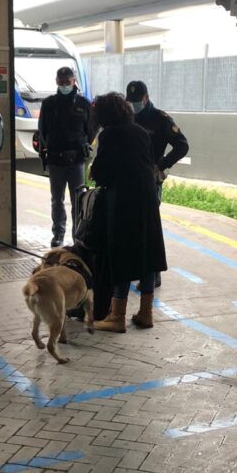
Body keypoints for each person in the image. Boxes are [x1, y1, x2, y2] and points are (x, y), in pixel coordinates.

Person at [90, 92, 167, 333]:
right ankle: (146, 313)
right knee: (146, 253)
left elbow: (102, 174)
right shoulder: (140, 132)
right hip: (147, 199)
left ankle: (117, 316)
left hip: (122, 202)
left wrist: (94, 170)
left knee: (121, 253)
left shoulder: (109, 135)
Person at [126, 80, 189, 287]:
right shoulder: (127, 117)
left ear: (146, 97)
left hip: (150, 182)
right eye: (131, 101)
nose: (134, 104)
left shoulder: (160, 119)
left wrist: (161, 166)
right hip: (129, 180)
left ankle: (153, 274)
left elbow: (182, 145)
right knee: (132, 226)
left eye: (137, 100)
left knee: (149, 228)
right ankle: (140, 269)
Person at [37, 66, 92, 247]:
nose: (64, 85)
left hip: (76, 161)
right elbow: (42, 131)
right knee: (57, 200)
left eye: (67, 82)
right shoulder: (49, 104)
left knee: (78, 201)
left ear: (74, 81)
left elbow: (90, 132)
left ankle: (77, 236)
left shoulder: (83, 104)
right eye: (61, 83)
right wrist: (49, 147)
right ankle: (58, 233)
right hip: (56, 160)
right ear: (56, 82)